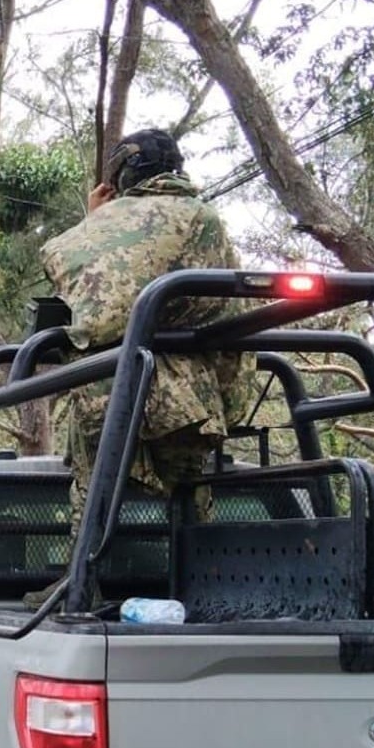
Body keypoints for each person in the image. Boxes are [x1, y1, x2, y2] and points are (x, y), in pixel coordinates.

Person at [38, 127, 248, 532]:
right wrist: (229, 401)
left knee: (94, 489)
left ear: (120, 177)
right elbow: (230, 318)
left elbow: (78, 282)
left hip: (103, 392)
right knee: (190, 493)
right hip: (189, 403)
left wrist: (95, 221)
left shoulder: (82, 235)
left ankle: (83, 582)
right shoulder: (203, 219)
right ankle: (197, 577)